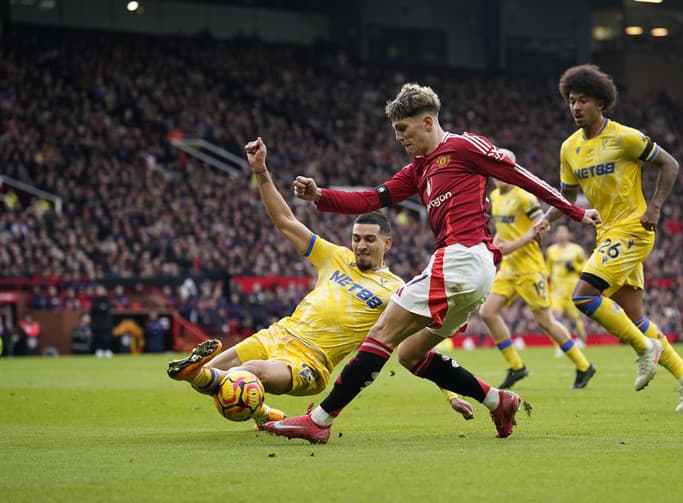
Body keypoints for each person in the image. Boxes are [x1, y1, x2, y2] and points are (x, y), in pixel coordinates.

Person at [266, 83, 600, 443]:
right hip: (471, 271)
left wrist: (576, 212)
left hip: (461, 258)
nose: (399, 139)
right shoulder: (418, 169)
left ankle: (319, 420)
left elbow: (522, 177)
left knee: (382, 332)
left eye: (403, 130)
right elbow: (371, 199)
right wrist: (320, 196)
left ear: (427, 122)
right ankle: (498, 400)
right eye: (395, 131)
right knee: (410, 354)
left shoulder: (463, 146)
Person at [166, 138, 475, 429]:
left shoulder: (395, 290)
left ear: (388, 243)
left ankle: (226, 387)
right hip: (276, 335)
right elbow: (285, 222)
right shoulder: (334, 256)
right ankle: (261, 411)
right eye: (356, 238)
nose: (361, 245)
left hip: (309, 362)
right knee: (205, 380)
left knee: (241, 377)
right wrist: (260, 170)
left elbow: (415, 347)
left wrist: (451, 393)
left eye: (370, 239)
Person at [544, 64, 683, 411]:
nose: (575, 107)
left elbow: (670, 165)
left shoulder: (625, 137)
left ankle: (645, 348)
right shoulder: (569, 148)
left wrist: (656, 207)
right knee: (635, 318)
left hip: (635, 228)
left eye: (583, 100)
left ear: (600, 102)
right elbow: (567, 199)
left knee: (584, 297)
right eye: (571, 101)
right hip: (606, 235)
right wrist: (541, 223)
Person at [478, 148, 595, 390]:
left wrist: (514, 244)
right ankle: (517, 366)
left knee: (545, 321)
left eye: (502, 167)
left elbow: (541, 227)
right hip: (509, 268)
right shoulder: (496, 197)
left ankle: (584, 366)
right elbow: (504, 228)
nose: (497, 174)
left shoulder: (525, 197)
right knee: (487, 312)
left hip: (530, 268)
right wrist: (498, 241)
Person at [545, 224, 589, 346]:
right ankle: (561, 343)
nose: (561, 235)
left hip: (572, 289)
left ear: (568, 235)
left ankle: (582, 338)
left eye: (563, 232)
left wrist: (574, 267)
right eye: (559, 232)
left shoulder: (576, 250)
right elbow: (548, 269)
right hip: (556, 290)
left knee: (574, 319)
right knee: (556, 315)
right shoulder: (551, 251)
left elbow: (586, 266)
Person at [90, 285, 114, 358]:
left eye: (100, 289)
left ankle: (107, 350)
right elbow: (93, 310)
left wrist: (100, 307)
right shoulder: (95, 300)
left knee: (106, 337)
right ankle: (99, 350)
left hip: (105, 323)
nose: (99, 291)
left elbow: (106, 308)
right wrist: (100, 307)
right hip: (96, 323)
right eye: (98, 290)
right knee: (97, 337)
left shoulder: (107, 299)